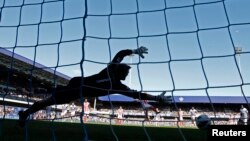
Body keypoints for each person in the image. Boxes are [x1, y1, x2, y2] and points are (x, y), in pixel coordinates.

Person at [18, 47, 172, 127]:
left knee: (52, 98)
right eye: (126, 73)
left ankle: (26, 111)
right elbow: (137, 94)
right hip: (77, 87)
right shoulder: (115, 80)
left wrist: (157, 98)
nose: (126, 75)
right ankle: (29, 94)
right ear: (121, 73)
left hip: (77, 86)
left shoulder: (114, 77)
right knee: (51, 98)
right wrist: (134, 51)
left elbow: (137, 95)